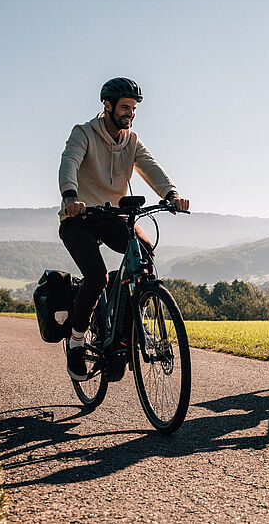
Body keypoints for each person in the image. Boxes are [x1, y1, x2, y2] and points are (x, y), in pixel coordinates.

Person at [58, 77, 189, 380]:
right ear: (107, 106)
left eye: (133, 108)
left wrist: (170, 194)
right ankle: (77, 343)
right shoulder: (84, 133)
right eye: (125, 107)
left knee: (144, 252)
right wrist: (70, 196)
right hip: (79, 218)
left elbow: (150, 166)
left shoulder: (131, 139)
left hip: (113, 217)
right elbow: (69, 163)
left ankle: (133, 319)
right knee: (96, 277)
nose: (130, 113)